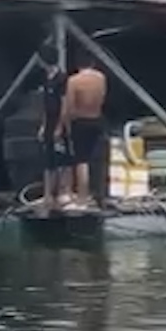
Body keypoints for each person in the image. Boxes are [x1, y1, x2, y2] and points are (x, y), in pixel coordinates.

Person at [62, 50, 108, 209]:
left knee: (81, 161)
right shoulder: (101, 78)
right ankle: (98, 194)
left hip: (80, 121)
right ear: (93, 62)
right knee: (96, 159)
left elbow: (69, 106)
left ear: (76, 65)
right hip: (97, 118)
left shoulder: (73, 81)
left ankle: (82, 197)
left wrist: (65, 124)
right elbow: (102, 98)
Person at [36, 41, 72, 209]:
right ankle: (48, 193)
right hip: (49, 121)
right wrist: (43, 126)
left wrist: (60, 126)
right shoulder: (45, 79)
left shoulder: (62, 78)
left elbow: (65, 104)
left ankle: (64, 191)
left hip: (59, 122)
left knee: (62, 159)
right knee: (47, 159)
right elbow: (45, 104)